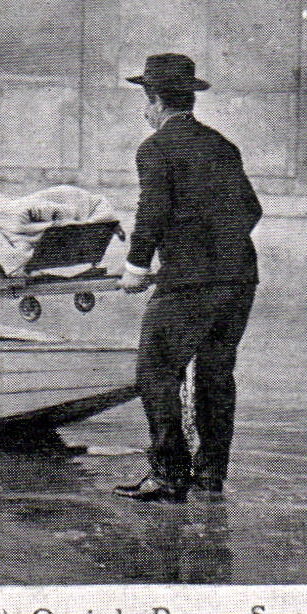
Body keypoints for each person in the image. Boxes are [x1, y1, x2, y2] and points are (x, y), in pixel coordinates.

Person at [113, 53, 262, 504]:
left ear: (156, 101)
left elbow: (153, 212)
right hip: (238, 280)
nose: (145, 111)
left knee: (156, 372)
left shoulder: (155, 148)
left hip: (188, 284)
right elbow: (251, 210)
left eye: (146, 101)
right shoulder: (222, 146)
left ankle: (168, 474)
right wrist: (218, 249)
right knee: (216, 376)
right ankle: (210, 475)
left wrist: (136, 268)